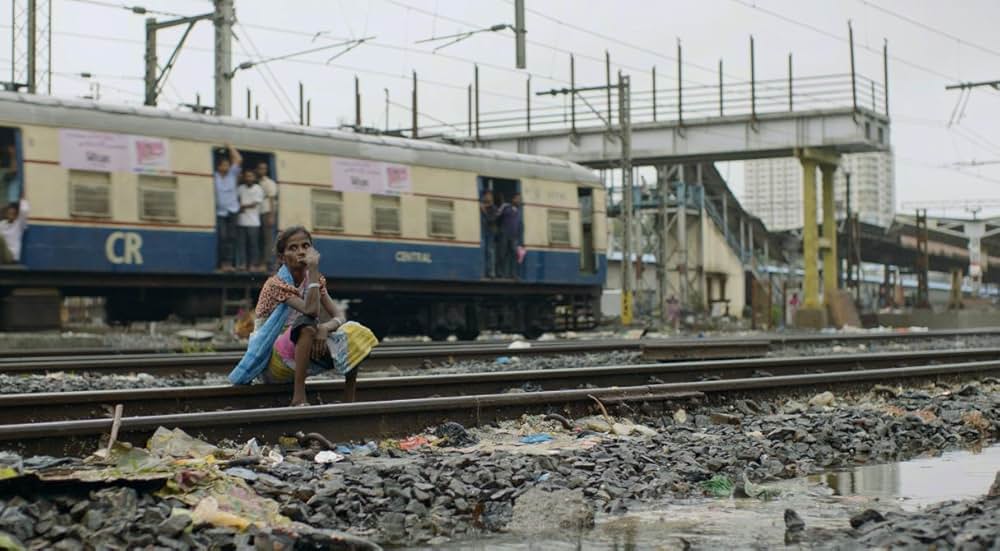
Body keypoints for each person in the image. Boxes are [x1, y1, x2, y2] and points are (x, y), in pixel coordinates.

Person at [228, 226, 379, 406]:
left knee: (355, 330)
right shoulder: (276, 284)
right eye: (293, 248)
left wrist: (324, 328)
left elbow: (339, 316)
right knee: (306, 325)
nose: (301, 251)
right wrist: (313, 272)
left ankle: (349, 398)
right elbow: (311, 311)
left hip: (302, 348)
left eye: (305, 246)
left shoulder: (315, 280)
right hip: (273, 360)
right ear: (282, 258)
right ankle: (299, 397)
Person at [214, 144, 242, 271]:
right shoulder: (215, 177)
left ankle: (229, 263)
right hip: (220, 212)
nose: (226, 167)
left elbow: (238, 159)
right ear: (218, 167)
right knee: (222, 237)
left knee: (231, 238)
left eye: (227, 164)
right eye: (223, 165)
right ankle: (222, 263)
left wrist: (230, 146)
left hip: (233, 210)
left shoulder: (232, 174)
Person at [235, 169, 264, 272]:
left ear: (254, 178)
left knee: (253, 245)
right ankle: (242, 264)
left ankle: (253, 265)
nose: (248, 178)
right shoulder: (240, 188)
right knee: (241, 244)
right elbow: (235, 199)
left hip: (254, 222)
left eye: (251, 176)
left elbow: (255, 204)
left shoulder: (258, 189)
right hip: (241, 221)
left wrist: (241, 206)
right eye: (247, 176)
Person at [255, 161, 279, 268]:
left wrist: (271, 215)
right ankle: (260, 261)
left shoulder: (269, 182)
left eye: (264, 168)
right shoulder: (256, 182)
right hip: (256, 213)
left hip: (266, 212)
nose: (262, 170)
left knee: (267, 239)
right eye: (260, 168)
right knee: (259, 238)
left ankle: (267, 262)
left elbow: (272, 199)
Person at [498, 193, 523, 278]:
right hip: (504, 234)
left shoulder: (519, 211)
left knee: (514, 255)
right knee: (502, 254)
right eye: (517, 199)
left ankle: (513, 274)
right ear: (513, 199)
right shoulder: (506, 208)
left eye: (520, 199)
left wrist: (519, 237)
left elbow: (520, 225)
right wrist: (503, 205)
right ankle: (501, 273)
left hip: (514, 236)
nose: (519, 200)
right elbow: (498, 215)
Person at [0, 198, 28, 264]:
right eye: (9, 213)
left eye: (13, 213)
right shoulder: (2, 224)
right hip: (2, 256)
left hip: (12, 257)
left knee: (0, 238)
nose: (11, 215)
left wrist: (23, 198)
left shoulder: (19, 224)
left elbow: (24, 210)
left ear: (16, 214)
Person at [480, 190, 500, 278]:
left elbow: (492, 220)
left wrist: (484, 211)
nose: (488, 197)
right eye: (486, 195)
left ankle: (492, 273)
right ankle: (484, 272)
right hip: (483, 231)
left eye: (490, 195)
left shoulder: (494, 208)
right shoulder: (481, 206)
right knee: (483, 251)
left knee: (490, 251)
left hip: (490, 232)